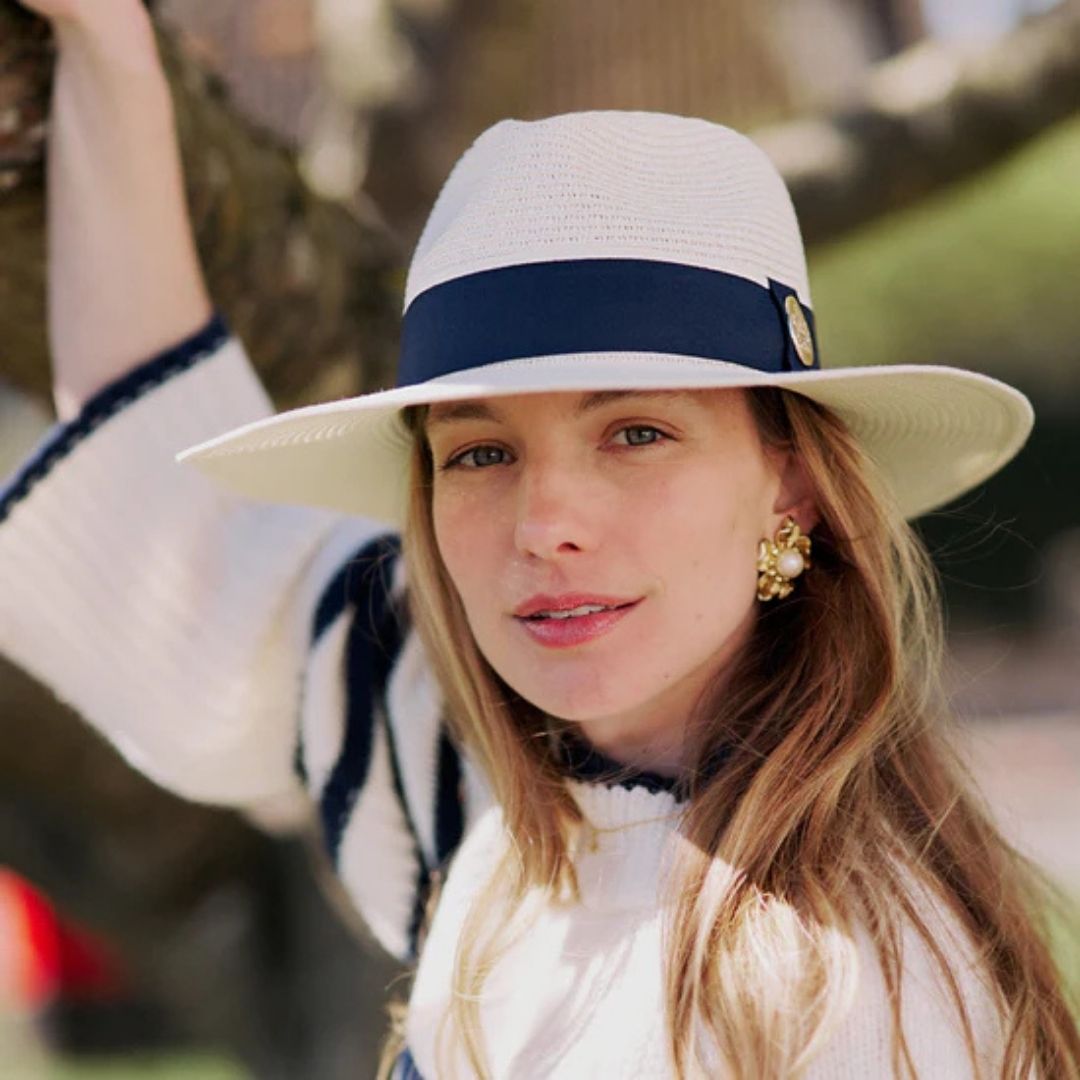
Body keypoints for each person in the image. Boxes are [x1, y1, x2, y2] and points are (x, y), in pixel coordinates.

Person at [1, 3, 1078, 1078]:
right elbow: (160, 497)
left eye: (637, 432)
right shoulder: (467, 776)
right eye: (479, 452)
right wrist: (108, 45)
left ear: (789, 485)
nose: (546, 524)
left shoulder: (863, 1003)